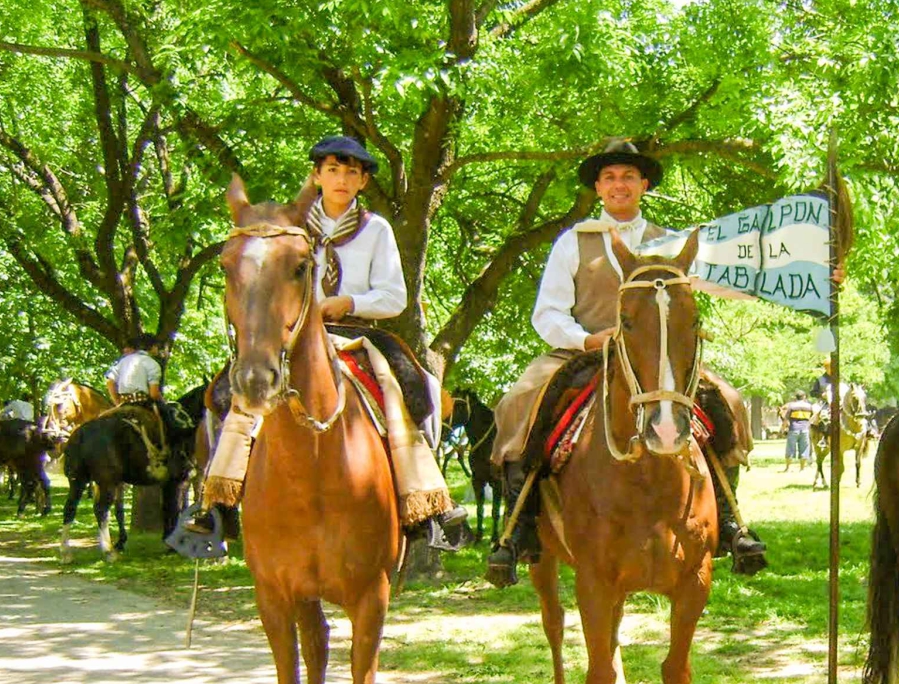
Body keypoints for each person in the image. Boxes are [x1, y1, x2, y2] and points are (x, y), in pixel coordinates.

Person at [486, 139, 766, 586]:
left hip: (654, 362)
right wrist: (585, 339)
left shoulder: (669, 242)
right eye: (611, 177)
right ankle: (519, 526)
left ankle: (731, 522)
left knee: (727, 400)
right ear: (598, 187)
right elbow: (548, 313)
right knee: (519, 402)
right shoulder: (573, 243)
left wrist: (811, 278)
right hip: (586, 352)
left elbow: (727, 282)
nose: (620, 185)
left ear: (644, 185)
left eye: (629, 177)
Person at [187, 136, 464, 546]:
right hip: (295, 335)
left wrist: (347, 301)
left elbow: (394, 297)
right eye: (332, 170)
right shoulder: (289, 225)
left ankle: (423, 497)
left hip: (357, 331)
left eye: (352, 172)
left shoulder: (376, 230)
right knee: (228, 393)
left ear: (363, 182)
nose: (342, 179)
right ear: (317, 176)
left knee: (411, 385)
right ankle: (218, 501)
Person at [106, 334, 164, 405]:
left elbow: (109, 382)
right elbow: (153, 394)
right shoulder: (153, 364)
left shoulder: (123, 361)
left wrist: (117, 402)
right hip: (143, 404)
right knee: (169, 413)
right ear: (153, 347)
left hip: (123, 403)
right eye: (157, 346)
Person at [778, 390, 815, 472]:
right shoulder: (809, 406)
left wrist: (782, 429)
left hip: (793, 429)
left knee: (790, 448)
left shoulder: (792, 406)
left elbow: (786, 419)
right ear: (804, 397)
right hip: (805, 429)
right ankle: (802, 468)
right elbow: (812, 417)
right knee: (805, 449)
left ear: (796, 397)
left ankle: (788, 468)